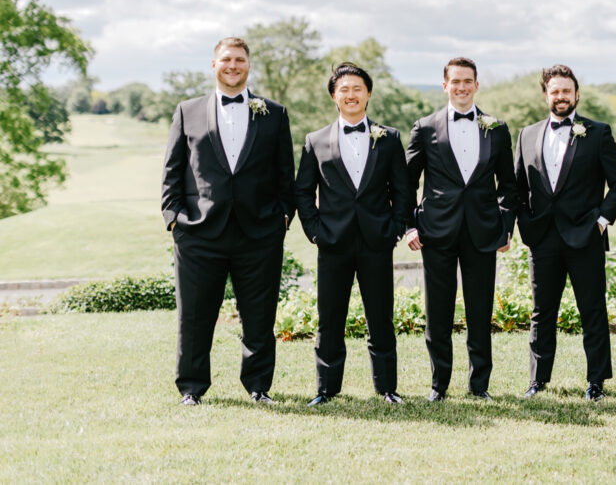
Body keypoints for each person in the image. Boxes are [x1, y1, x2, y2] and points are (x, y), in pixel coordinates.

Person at [161, 37, 295, 406]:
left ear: (248, 65)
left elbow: (286, 174)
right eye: (226, 60)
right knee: (195, 316)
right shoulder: (188, 111)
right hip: (199, 232)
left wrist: (282, 219)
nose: (232, 65)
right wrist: (174, 218)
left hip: (259, 233)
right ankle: (191, 388)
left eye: (239, 60)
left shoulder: (275, 113)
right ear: (214, 64)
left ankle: (258, 386)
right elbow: (173, 171)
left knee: (259, 316)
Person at [295, 62, 410, 406]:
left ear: (368, 94)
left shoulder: (389, 139)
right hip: (333, 243)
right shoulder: (314, 141)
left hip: (377, 242)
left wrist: (394, 230)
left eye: (357, 88)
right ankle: (326, 390)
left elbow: (403, 189)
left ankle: (387, 388)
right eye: (343, 89)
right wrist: (315, 232)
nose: (351, 94)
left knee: (381, 318)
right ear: (334, 96)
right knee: (330, 319)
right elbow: (303, 191)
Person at [514, 65, 616, 401]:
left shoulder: (598, 132)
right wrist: (526, 224)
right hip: (543, 238)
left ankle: (596, 381)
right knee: (542, 311)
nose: (561, 96)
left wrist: (602, 220)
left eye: (567, 91)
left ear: (576, 94)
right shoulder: (527, 135)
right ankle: (537, 380)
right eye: (555, 91)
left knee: (592, 309)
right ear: (545, 95)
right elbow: (517, 189)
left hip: (585, 235)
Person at [405, 58, 517, 402]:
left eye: (468, 81)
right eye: (455, 82)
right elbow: (405, 183)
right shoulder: (424, 128)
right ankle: (439, 386)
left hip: (483, 233)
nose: (462, 87)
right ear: (445, 85)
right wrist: (410, 225)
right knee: (437, 312)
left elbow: (509, 186)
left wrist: (505, 227)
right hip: (436, 232)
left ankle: (479, 385)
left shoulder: (496, 129)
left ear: (477, 85)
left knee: (480, 312)